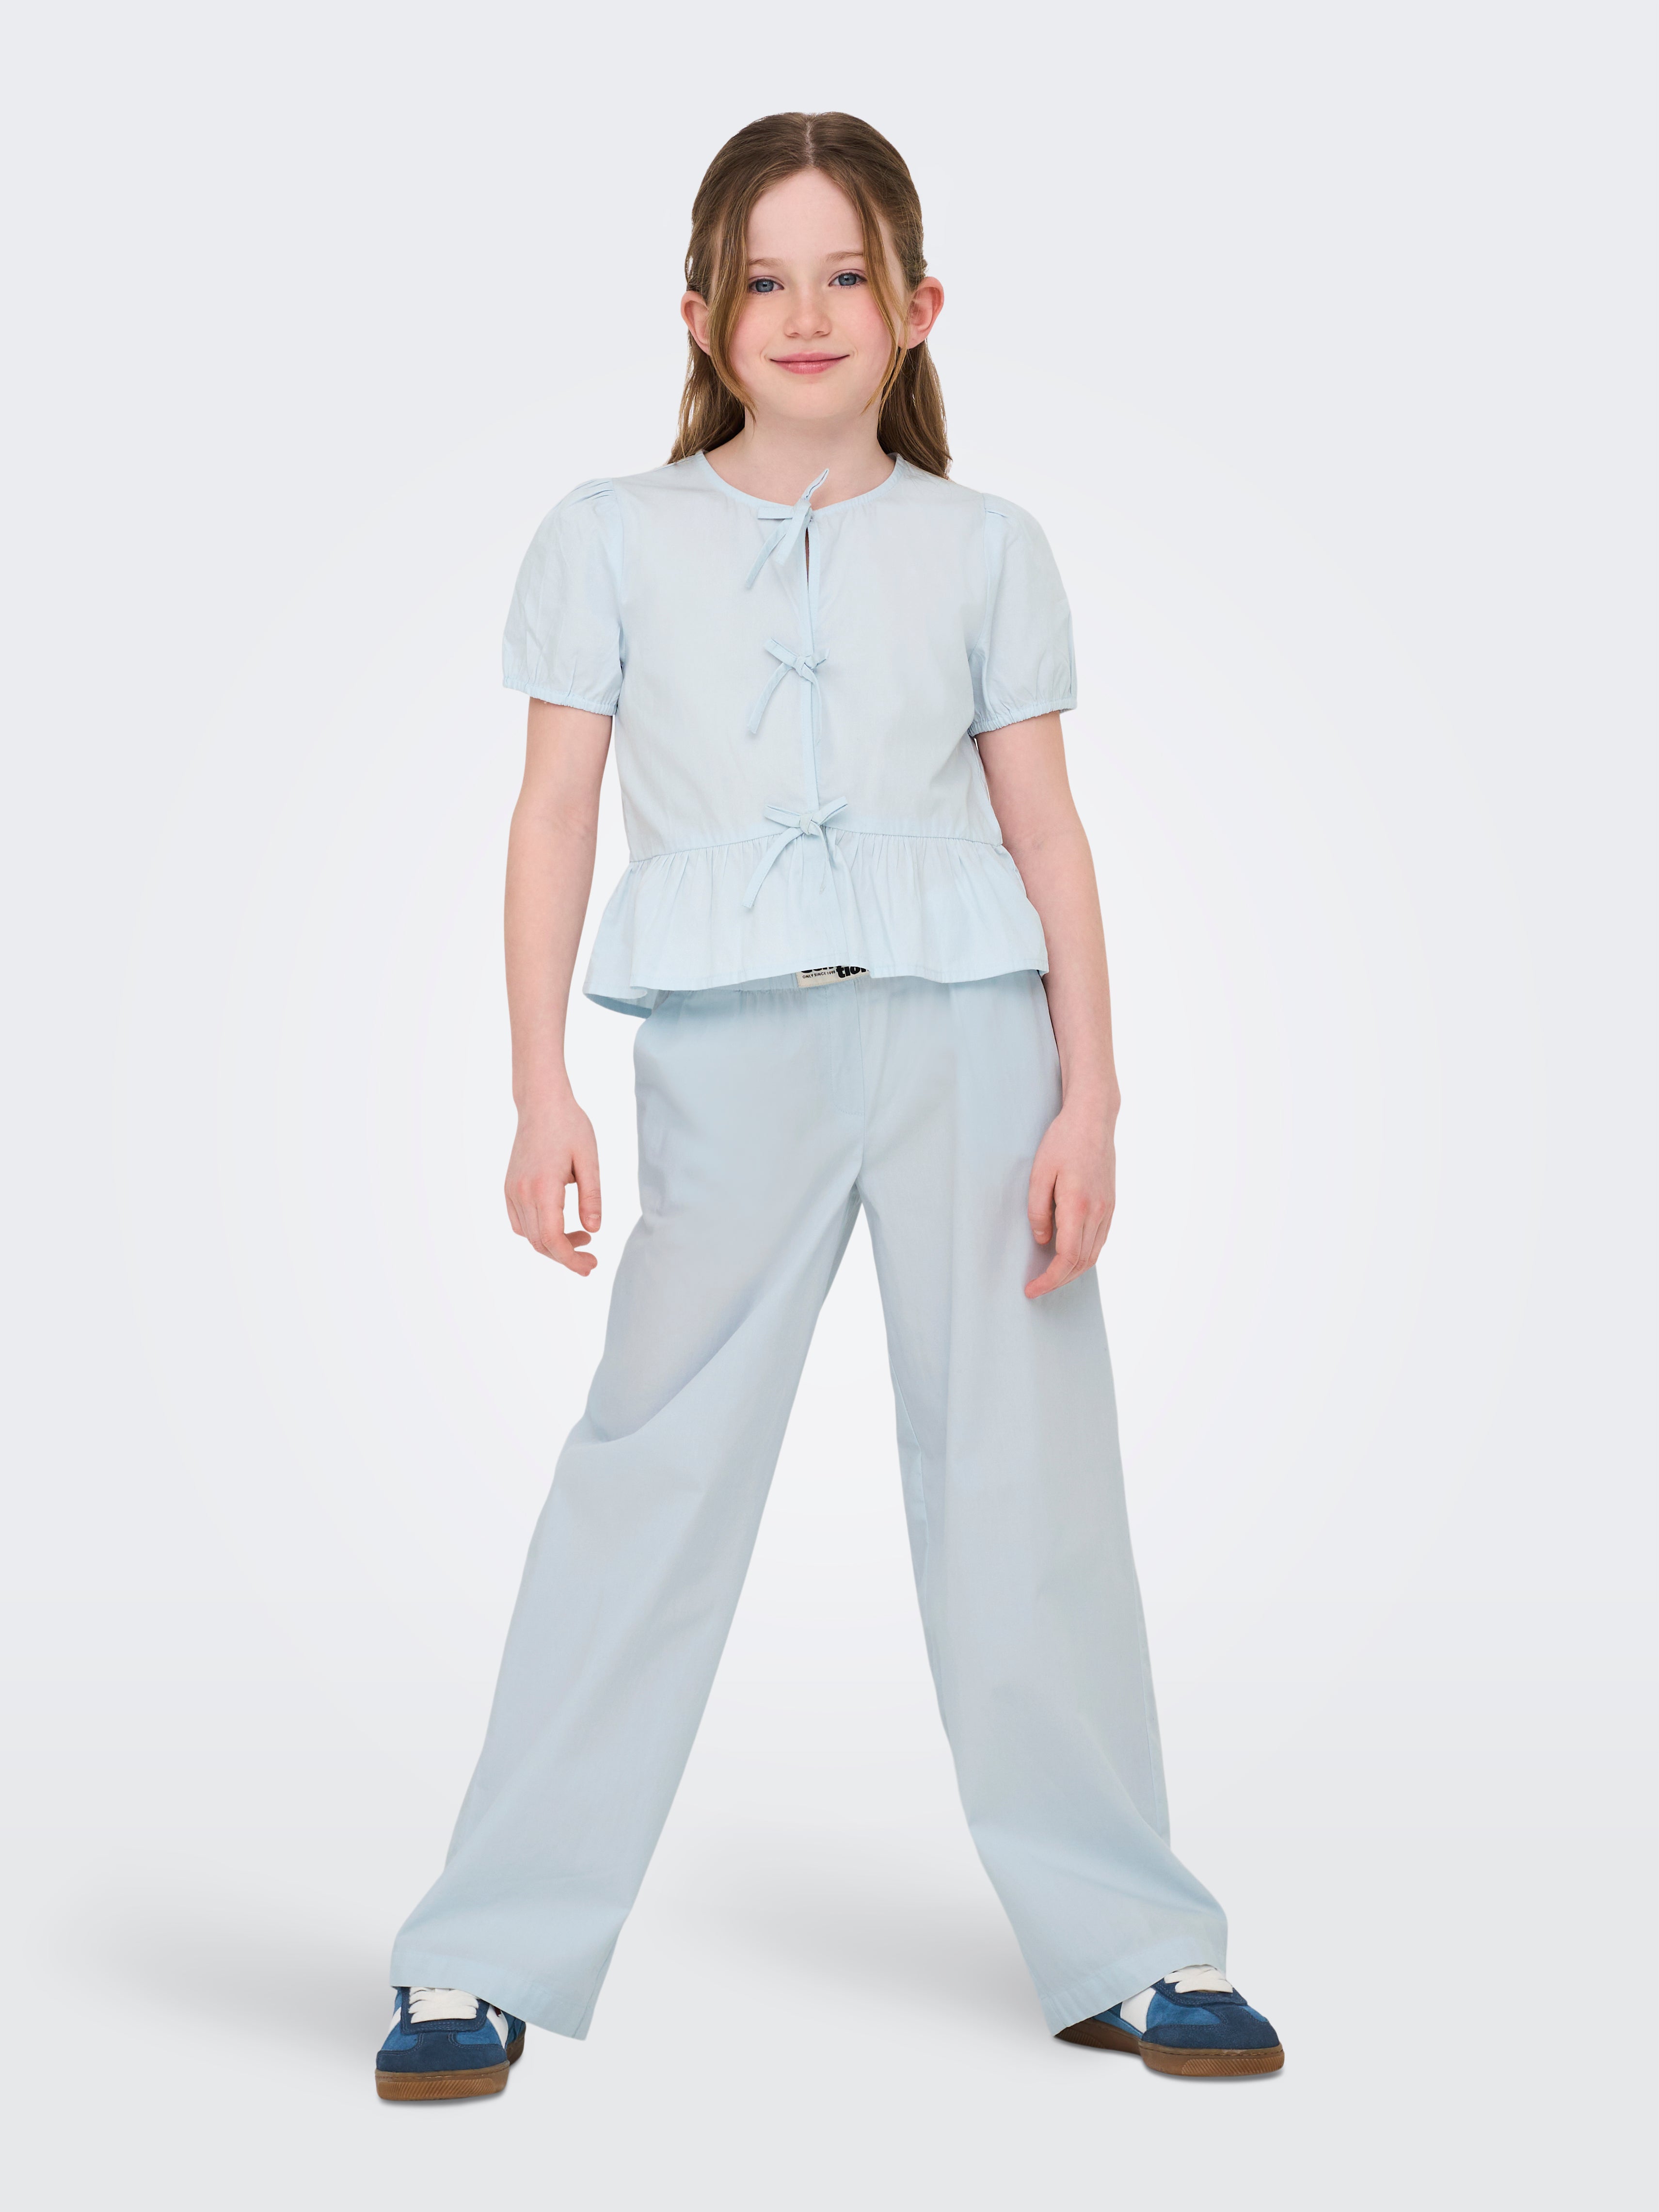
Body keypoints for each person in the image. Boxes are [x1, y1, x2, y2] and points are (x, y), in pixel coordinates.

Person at [375, 110, 1283, 2104]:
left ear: (919, 305)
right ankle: (485, 1947)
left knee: (1028, 1480)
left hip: (972, 1046)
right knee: (648, 1475)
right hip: (725, 1055)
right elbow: (551, 817)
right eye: (763, 279)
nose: (807, 312)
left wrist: (1093, 1099)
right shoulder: (608, 535)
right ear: (700, 315)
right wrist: (536, 1089)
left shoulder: (986, 546)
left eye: (846, 274)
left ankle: (1130, 1935)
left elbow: (1049, 835)